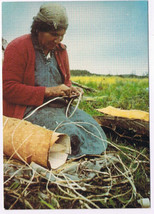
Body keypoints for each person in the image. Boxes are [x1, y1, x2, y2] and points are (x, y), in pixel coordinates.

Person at [3, 3, 107, 158]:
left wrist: (70, 90)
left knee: (93, 129)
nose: (58, 40)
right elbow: (8, 89)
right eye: (53, 34)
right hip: (30, 109)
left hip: (59, 107)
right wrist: (49, 91)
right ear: (39, 29)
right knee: (69, 133)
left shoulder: (61, 51)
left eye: (62, 35)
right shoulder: (18, 47)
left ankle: (80, 154)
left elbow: (67, 82)